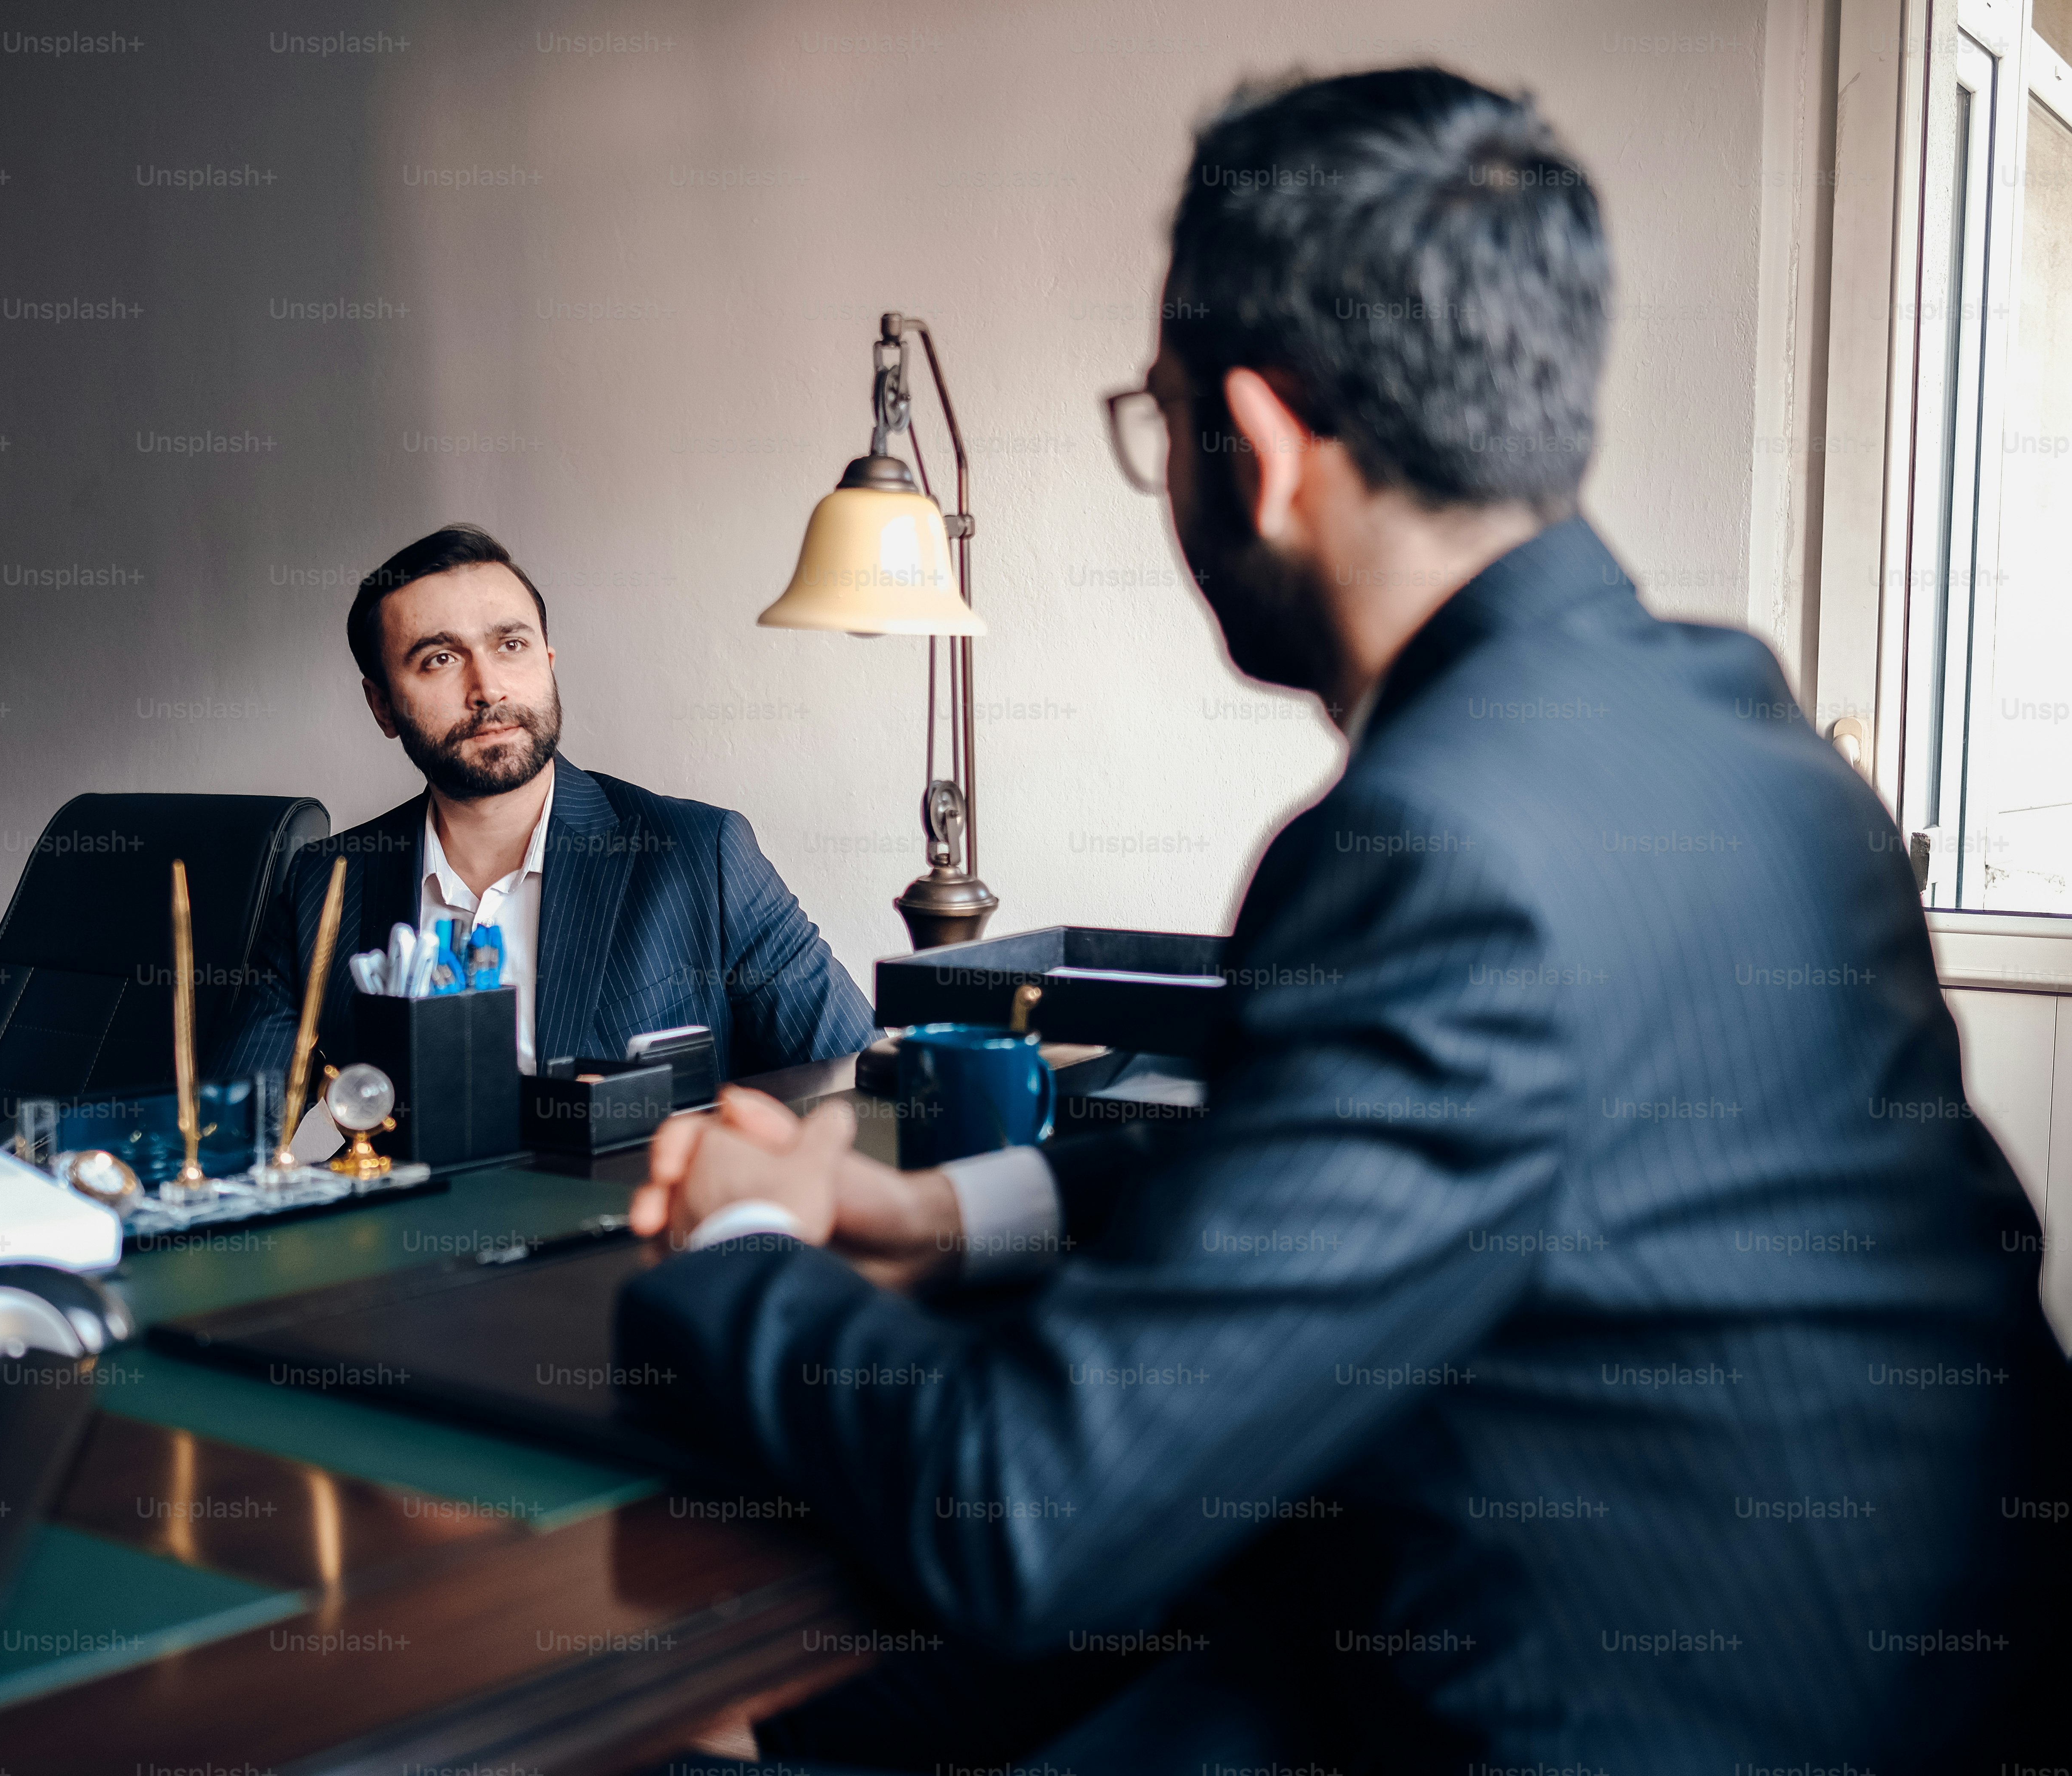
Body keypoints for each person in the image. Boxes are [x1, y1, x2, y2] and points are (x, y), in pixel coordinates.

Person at [619, 67, 2066, 1773]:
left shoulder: (1432, 843)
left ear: (1273, 439)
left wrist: (737, 1249)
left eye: (1161, 425)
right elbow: (1358, 1170)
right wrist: (929, 1205)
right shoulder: (1742, 734)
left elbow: (1030, 1502)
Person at [219, 523, 874, 1092]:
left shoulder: (703, 856)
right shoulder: (323, 884)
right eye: (440, 658)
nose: (488, 688)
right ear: (382, 704)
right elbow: (229, 1128)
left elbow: (856, 1081)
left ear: (549, 663)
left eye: (511, 646)